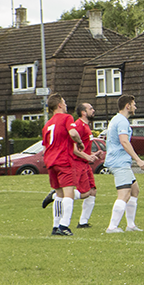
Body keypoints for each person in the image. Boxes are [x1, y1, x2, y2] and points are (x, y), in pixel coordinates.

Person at [40, 95, 91, 236]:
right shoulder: (66, 118)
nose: (66, 105)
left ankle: (55, 226)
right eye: (64, 102)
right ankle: (64, 226)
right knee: (68, 194)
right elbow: (73, 133)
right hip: (63, 160)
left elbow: (44, 147)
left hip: (50, 162)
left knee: (59, 194)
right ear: (59, 105)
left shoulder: (47, 124)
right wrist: (80, 142)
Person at [103, 95, 144, 233]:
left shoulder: (116, 119)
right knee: (124, 194)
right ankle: (112, 227)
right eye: (134, 104)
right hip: (119, 162)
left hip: (119, 161)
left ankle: (131, 225)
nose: (135, 107)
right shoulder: (122, 121)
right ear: (127, 106)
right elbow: (124, 141)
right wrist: (138, 159)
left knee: (135, 190)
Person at [72, 102, 98, 228]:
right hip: (78, 163)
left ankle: (83, 222)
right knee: (84, 192)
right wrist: (87, 157)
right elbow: (73, 149)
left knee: (92, 191)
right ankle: (56, 195)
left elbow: (84, 149)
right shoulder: (78, 125)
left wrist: (93, 154)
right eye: (90, 108)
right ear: (83, 112)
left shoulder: (86, 126)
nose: (93, 110)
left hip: (85, 163)